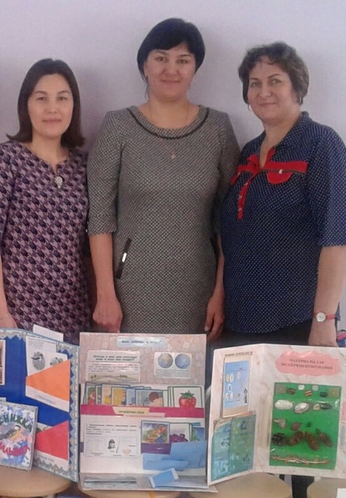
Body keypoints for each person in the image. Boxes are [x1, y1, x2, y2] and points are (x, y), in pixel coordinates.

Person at [217, 42, 346, 498]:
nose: (264, 91)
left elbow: (338, 239)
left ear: (297, 87)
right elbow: (230, 235)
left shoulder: (322, 145)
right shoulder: (248, 153)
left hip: (298, 322)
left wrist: (324, 320)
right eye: (254, 83)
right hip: (241, 325)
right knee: (243, 448)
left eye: (275, 81)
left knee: (298, 451)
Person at [87, 18, 239, 337]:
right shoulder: (118, 127)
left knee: (192, 371)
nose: (172, 69)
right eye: (161, 58)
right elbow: (99, 217)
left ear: (195, 69)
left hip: (200, 291)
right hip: (129, 291)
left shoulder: (218, 129)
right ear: (145, 65)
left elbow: (229, 220)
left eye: (183, 60)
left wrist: (222, 291)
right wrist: (105, 294)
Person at [0, 59, 90, 342]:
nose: (52, 108)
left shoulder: (84, 166)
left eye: (62, 98)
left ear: (73, 105)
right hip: (16, 313)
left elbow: (89, 245)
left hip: (72, 312)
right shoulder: (6, 160)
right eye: (42, 98)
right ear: (26, 105)